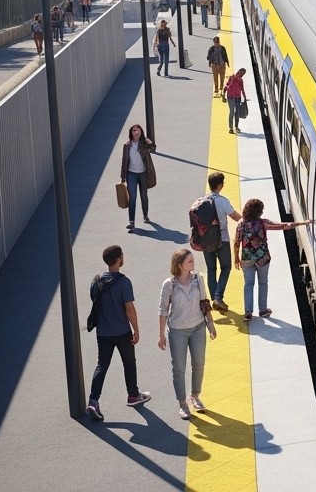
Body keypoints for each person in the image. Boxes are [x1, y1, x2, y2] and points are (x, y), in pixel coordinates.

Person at [85, 245, 151, 421]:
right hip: (122, 332)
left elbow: (94, 298)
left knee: (102, 365)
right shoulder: (123, 282)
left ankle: (93, 400)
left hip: (103, 332)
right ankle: (133, 395)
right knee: (129, 362)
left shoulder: (96, 280)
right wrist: (136, 329)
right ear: (119, 259)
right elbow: (129, 308)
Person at [157, 249, 217, 420]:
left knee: (199, 364)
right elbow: (162, 310)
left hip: (198, 327)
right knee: (179, 368)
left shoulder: (198, 280)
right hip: (177, 331)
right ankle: (182, 403)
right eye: (189, 261)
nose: (193, 263)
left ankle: (195, 396)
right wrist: (161, 334)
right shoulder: (169, 285)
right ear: (179, 264)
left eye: (192, 260)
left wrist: (210, 325)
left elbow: (205, 302)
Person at [234, 198, 309, 322]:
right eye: (261, 210)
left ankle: (248, 313)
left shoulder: (241, 223)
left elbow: (236, 242)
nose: (262, 212)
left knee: (248, 284)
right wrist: (303, 223)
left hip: (246, 259)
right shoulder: (263, 223)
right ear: (258, 212)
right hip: (263, 258)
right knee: (263, 283)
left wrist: (236, 257)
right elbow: (283, 226)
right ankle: (263, 310)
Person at [200, 171, 243, 312]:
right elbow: (236, 217)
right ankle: (218, 297)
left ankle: (215, 299)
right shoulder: (222, 201)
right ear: (220, 185)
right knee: (226, 267)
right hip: (222, 240)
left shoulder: (201, 201)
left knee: (211, 269)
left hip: (206, 241)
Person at [120, 124, 157, 232]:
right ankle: (131, 221)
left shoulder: (144, 143)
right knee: (132, 198)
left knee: (144, 195)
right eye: (134, 131)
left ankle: (145, 215)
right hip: (131, 174)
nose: (136, 133)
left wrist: (150, 142)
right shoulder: (127, 145)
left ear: (141, 132)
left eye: (138, 130)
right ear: (131, 133)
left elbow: (153, 149)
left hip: (143, 174)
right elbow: (124, 161)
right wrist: (123, 176)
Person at [225, 68, 247, 134]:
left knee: (237, 113)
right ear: (239, 72)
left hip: (238, 98)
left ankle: (236, 127)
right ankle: (231, 128)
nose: (242, 75)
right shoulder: (232, 77)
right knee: (231, 112)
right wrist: (223, 93)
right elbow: (227, 85)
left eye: (243, 74)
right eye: (242, 73)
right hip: (231, 97)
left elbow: (242, 89)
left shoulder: (241, 80)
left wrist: (245, 97)